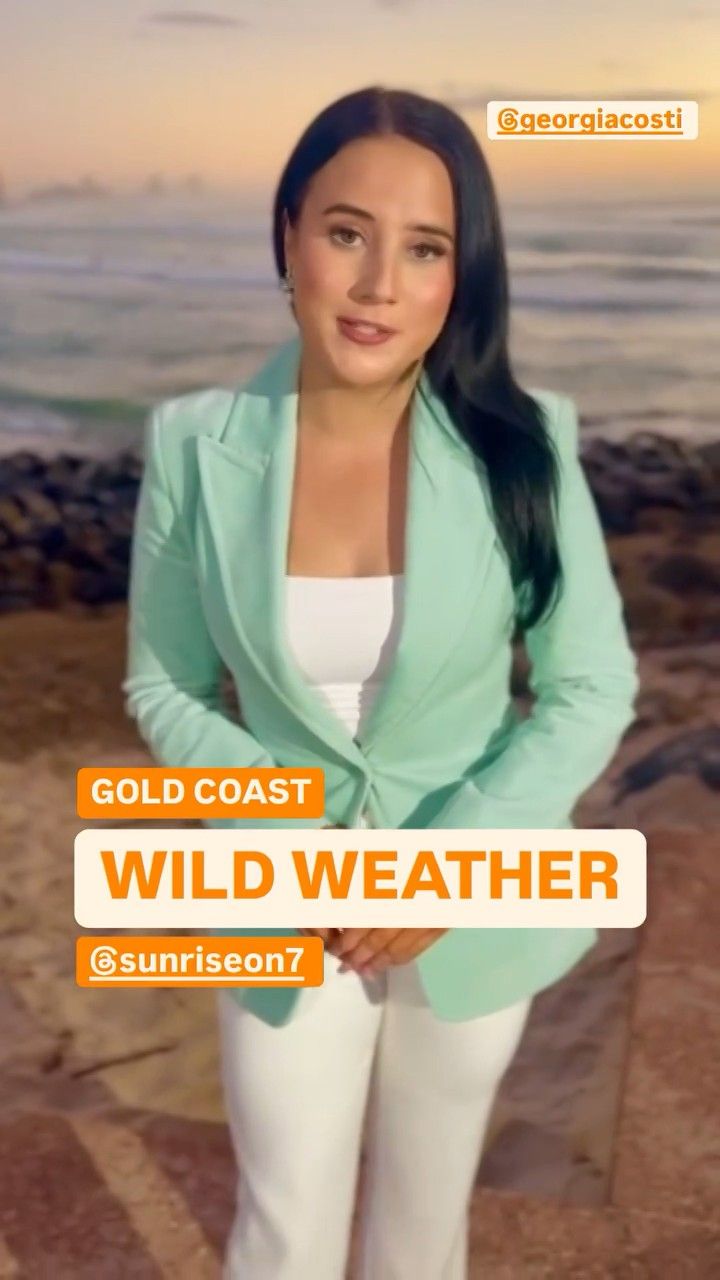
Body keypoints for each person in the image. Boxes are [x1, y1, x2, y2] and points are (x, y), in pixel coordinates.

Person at [122, 85, 639, 1279]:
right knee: (282, 1229)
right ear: (289, 233)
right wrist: (293, 834)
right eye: (347, 233)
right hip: (281, 894)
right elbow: (166, 684)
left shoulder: (525, 447)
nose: (377, 285)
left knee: (423, 1229)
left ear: (463, 273)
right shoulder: (195, 444)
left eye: (425, 248)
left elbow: (591, 682)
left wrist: (448, 861)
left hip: (472, 892)